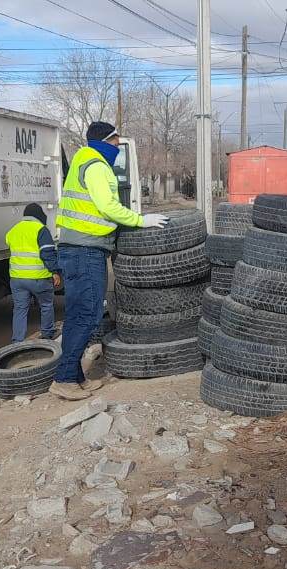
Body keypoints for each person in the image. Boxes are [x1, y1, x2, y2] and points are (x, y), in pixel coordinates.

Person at [50, 121, 168, 400]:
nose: (118, 147)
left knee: (78, 314)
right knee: (88, 314)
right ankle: (64, 378)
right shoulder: (97, 166)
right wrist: (141, 220)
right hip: (85, 251)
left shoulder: (83, 159)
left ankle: (76, 376)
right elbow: (107, 207)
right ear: (107, 141)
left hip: (78, 248)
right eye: (116, 142)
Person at [6, 203, 61, 342]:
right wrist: (54, 271)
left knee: (20, 309)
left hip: (17, 278)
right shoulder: (41, 229)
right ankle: (48, 333)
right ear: (38, 215)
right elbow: (47, 253)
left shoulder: (13, 230)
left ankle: (17, 340)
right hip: (38, 278)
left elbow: (9, 243)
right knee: (46, 305)